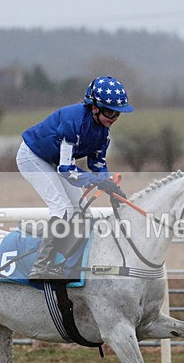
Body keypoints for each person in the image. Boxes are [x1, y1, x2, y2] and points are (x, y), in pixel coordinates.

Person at [17, 75, 133, 280]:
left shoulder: (103, 134)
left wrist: (111, 186)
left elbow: (97, 165)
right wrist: (96, 181)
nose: (113, 119)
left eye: (118, 114)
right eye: (109, 112)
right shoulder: (73, 123)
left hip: (53, 161)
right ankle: (40, 266)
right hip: (32, 157)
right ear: (94, 107)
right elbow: (67, 170)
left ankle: (69, 263)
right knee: (62, 210)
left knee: (81, 213)